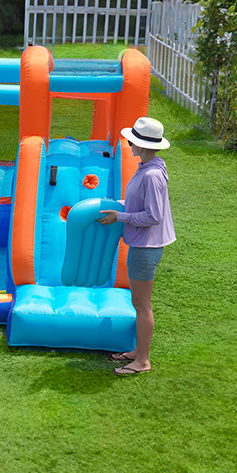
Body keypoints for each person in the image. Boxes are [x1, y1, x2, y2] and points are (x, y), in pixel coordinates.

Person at [98, 116, 175, 376]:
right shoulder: (149, 167)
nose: (129, 144)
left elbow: (153, 216)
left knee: (142, 305)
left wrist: (119, 217)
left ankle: (142, 361)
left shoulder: (151, 175)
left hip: (146, 247)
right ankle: (137, 352)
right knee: (139, 303)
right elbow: (140, 203)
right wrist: (118, 205)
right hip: (144, 245)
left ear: (141, 145)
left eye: (132, 141)